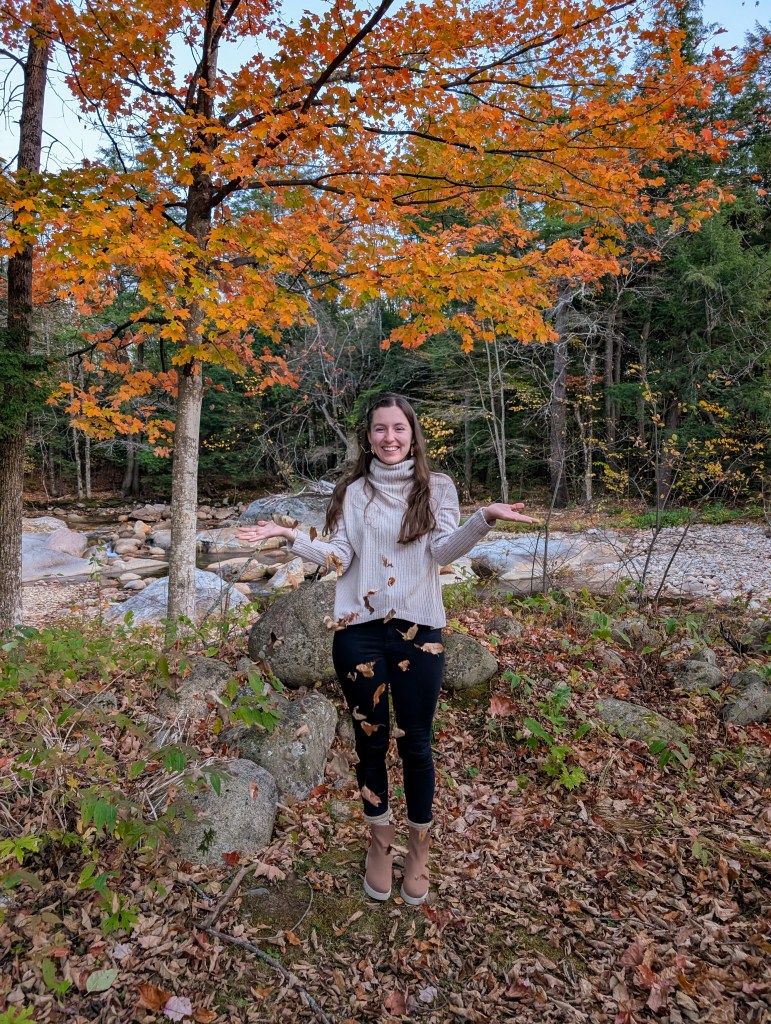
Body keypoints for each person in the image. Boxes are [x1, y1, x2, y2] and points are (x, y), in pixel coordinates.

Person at [236, 394, 537, 905]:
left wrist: (484, 518)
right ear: (368, 437)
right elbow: (338, 555)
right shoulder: (352, 492)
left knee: (416, 743)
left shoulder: (438, 486)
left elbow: (442, 550)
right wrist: (289, 536)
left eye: (399, 428)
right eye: (380, 429)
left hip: (420, 630)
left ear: (413, 434)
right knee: (369, 741)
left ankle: (418, 847)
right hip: (359, 631)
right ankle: (379, 840)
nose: (390, 437)